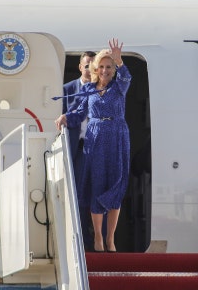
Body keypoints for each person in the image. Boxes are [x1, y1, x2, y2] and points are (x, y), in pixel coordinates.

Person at [55, 38, 130, 253]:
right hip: (96, 139)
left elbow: (126, 77)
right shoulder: (88, 89)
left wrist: (120, 61)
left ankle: (110, 238)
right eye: (102, 66)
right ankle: (97, 236)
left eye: (109, 67)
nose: (105, 70)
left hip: (117, 137)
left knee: (117, 184)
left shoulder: (119, 87)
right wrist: (65, 117)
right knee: (97, 185)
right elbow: (79, 113)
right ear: (95, 68)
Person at [62, 51, 95, 251]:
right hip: (76, 149)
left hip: (96, 149)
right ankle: (82, 243)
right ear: (80, 67)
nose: (90, 68)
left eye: (94, 65)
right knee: (77, 195)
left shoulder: (103, 90)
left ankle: (99, 242)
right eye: (86, 65)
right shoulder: (67, 90)